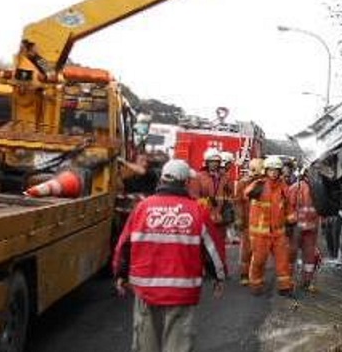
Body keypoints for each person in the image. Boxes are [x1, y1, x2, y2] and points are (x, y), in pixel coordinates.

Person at [113, 159, 225, 352]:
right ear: (185, 182)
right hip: (182, 291)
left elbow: (124, 245)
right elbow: (212, 249)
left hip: (146, 290)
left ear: (163, 179)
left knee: (145, 343)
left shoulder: (142, 208)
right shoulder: (197, 211)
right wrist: (218, 277)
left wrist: (120, 275)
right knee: (178, 344)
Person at [245, 156, 296, 296]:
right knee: (259, 260)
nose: (273, 173)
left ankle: (284, 286)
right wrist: (253, 182)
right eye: (270, 170)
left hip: (278, 232)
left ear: (280, 172)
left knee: (283, 260)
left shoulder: (283, 187)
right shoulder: (259, 184)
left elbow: (288, 206)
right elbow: (247, 193)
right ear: (266, 170)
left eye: (276, 170)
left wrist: (291, 221)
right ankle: (256, 284)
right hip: (260, 233)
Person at [190, 148, 233, 270]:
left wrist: (228, 209)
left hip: (221, 216)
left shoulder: (225, 178)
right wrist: (208, 202)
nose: (214, 164)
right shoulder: (198, 177)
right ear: (206, 162)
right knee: (202, 244)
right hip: (205, 216)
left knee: (219, 244)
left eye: (216, 161)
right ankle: (200, 268)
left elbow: (230, 195)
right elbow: (194, 197)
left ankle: (220, 268)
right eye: (212, 161)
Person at [287, 168, 321, 292]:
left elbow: (322, 207)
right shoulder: (295, 188)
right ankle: (288, 280)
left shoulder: (318, 189)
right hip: (297, 226)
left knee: (310, 256)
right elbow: (288, 206)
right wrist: (290, 220)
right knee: (291, 254)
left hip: (311, 227)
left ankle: (307, 281)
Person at [234, 157, 265, 285]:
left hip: (261, 224)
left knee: (259, 252)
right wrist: (240, 218)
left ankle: (256, 276)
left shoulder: (265, 184)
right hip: (248, 223)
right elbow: (238, 203)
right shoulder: (243, 183)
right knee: (246, 250)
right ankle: (244, 274)